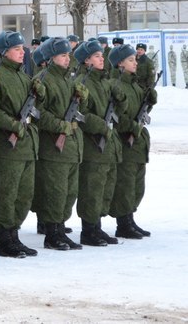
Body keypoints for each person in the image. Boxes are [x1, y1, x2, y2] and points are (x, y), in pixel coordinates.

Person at [0, 31, 42, 258]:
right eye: (17, 49)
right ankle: (5, 239)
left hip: (26, 144)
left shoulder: (23, 76)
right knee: (6, 194)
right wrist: (11, 124)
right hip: (7, 147)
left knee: (23, 195)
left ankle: (14, 235)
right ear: (4, 52)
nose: (22, 52)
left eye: (22, 49)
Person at [33, 37, 87, 251]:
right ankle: (52, 234)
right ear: (51, 58)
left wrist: (82, 96)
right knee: (55, 192)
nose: (67, 59)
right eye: (63, 55)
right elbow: (38, 113)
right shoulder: (43, 80)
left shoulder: (67, 79)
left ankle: (60, 229)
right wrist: (60, 126)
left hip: (71, 147)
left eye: (68, 55)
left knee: (69, 192)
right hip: (53, 147)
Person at [72, 40, 124, 247]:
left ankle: (97, 227)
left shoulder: (104, 82)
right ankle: (88, 230)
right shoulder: (83, 82)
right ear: (86, 60)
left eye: (102, 56)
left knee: (104, 188)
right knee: (91, 189)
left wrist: (121, 99)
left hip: (107, 143)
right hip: (93, 144)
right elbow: (81, 114)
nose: (102, 59)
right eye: (97, 56)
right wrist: (101, 126)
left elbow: (117, 112)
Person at [108, 43, 156, 239]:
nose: (135, 63)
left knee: (137, 185)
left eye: (135, 59)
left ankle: (130, 219)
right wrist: (132, 126)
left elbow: (140, 112)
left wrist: (150, 101)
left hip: (138, 143)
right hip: (125, 143)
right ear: (120, 63)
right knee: (125, 185)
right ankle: (123, 223)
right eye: (130, 60)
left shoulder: (135, 85)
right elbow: (115, 118)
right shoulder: (115, 85)